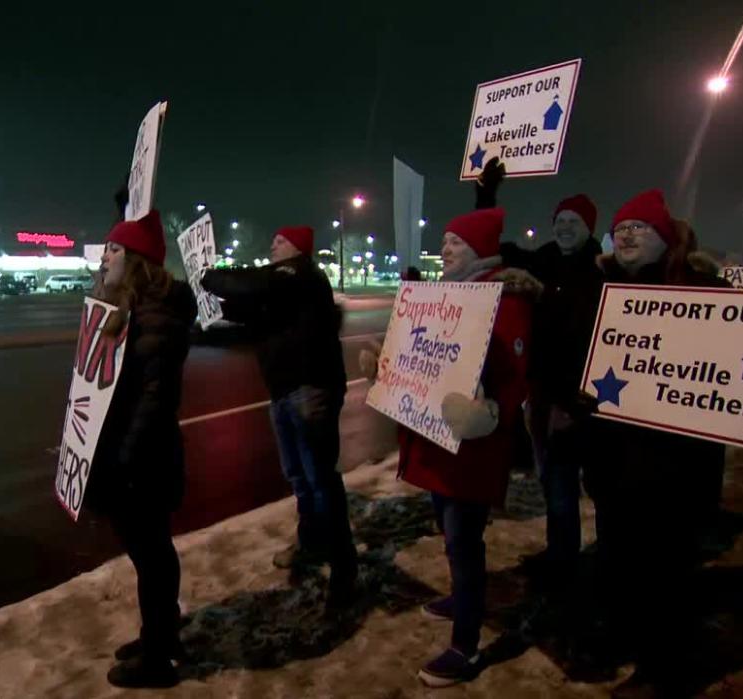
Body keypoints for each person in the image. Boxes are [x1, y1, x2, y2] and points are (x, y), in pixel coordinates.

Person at [581, 190, 743, 696]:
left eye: (642, 226)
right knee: (617, 559)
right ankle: (619, 637)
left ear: (666, 237)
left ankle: (663, 670)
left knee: (667, 574)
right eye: (623, 226)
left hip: (677, 471)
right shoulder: (604, 291)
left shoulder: (709, 293)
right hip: (614, 464)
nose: (629, 234)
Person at [363, 206, 532, 687]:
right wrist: (389, 366)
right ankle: (462, 599)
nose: (445, 248)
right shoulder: (446, 293)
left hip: (471, 445)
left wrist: (488, 411)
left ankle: (467, 645)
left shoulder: (504, 298)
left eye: (456, 241)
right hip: (438, 440)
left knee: (463, 541)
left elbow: (512, 375)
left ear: (479, 250)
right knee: (448, 529)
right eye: (446, 240)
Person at [200, 224, 358, 604]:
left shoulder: (302, 275)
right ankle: (311, 543)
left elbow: (252, 285)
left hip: (310, 391)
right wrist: (201, 319)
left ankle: (344, 566)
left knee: (320, 479)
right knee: (299, 478)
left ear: (299, 250)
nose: (273, 243)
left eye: (281, 240)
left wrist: (209, 275)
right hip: (284, 393)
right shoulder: (281, 291)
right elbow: (242, 315)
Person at [85, 209, 196, 689]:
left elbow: (154, 398)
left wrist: (125, 457)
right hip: (130, 452)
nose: (105, 255)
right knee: (147, 551)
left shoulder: (155, 315)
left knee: (151, 555)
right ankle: (161, 633)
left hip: (143, 458)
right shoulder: (125, 308)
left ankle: (158, 658)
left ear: (135, 260)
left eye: (114, 249)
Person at [504, 194, 604, 587]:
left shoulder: (600, 270)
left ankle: (584, 564)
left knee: (583, 483)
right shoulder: (544, 259)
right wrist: (487, 195)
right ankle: (560, 553)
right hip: (543, 392)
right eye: (559, 219)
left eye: (573, 221)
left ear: (589, 228)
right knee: (552, 479)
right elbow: (501, 252)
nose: (564, 227)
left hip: (582, 398)